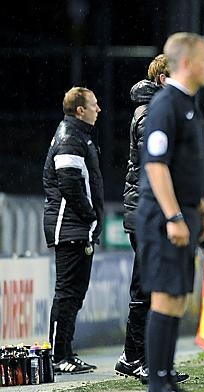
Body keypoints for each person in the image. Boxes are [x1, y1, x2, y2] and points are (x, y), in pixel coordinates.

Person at [137, 32, 204, 392]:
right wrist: (172, 216)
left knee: (179, 297)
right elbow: (156, 166)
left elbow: (188, 169)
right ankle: (157, 387)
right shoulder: (166, 104)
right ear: (186, 63)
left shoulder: (188, 104)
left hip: (185, 214)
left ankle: (168, 382)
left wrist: (201, 212)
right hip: (163, 216)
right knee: (165, 297)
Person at [114, 54, 189, 385]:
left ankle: (132, 357)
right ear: (163, 80)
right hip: (146, 210)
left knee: (148, 284)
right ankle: (142, 359)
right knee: (149, 286)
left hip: (149, 209)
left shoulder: (159, 111)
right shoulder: (150, 115)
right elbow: (155, 167)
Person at [43, 86, 103, 374]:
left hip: (76, 227)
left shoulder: (77, 135)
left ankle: (65, 352)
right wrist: (90, 216)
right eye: (94, 105)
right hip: (69, 227)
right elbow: (69, 182)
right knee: (67, 292)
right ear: (80, 110)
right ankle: (58, 356)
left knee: (74, 293)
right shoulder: (70, 137)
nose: (98, 109)